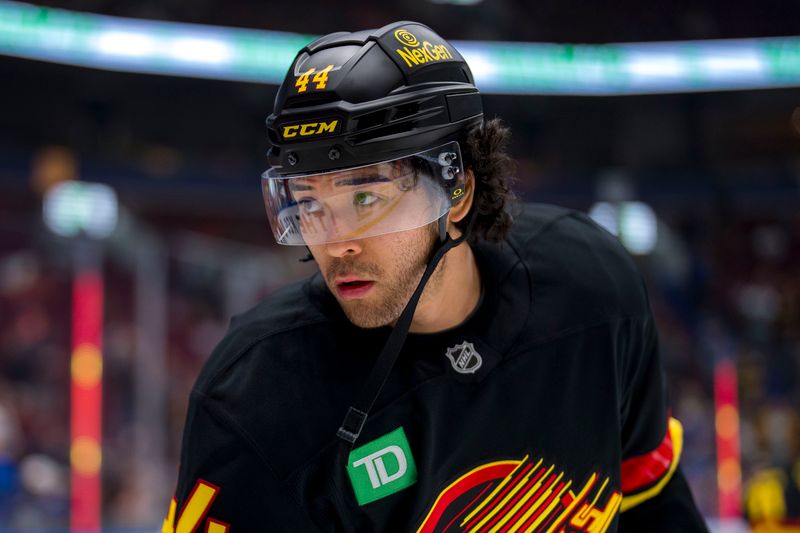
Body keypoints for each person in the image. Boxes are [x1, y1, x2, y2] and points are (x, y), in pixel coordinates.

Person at [163, 21, 709, 532]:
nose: (335, 241)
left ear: (458, 192)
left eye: (366, 197)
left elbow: (652, 503)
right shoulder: (255, 397)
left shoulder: (594, 289)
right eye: (309, 204)